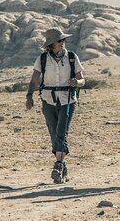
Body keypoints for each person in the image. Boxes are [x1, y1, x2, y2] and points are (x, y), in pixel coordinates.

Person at [26, 27, 85, 184]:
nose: (62, 43)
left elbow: (82, 80)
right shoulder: (43, 59)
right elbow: (34, 79)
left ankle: (58, 165)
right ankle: (62, 164)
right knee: (53, 132)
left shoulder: (72, 57)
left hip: (68, 99)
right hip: (48, 99)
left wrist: (76, 82)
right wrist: (29, 96)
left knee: (61, 131)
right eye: (59, 41)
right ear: (51, 44)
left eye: (63, 40)